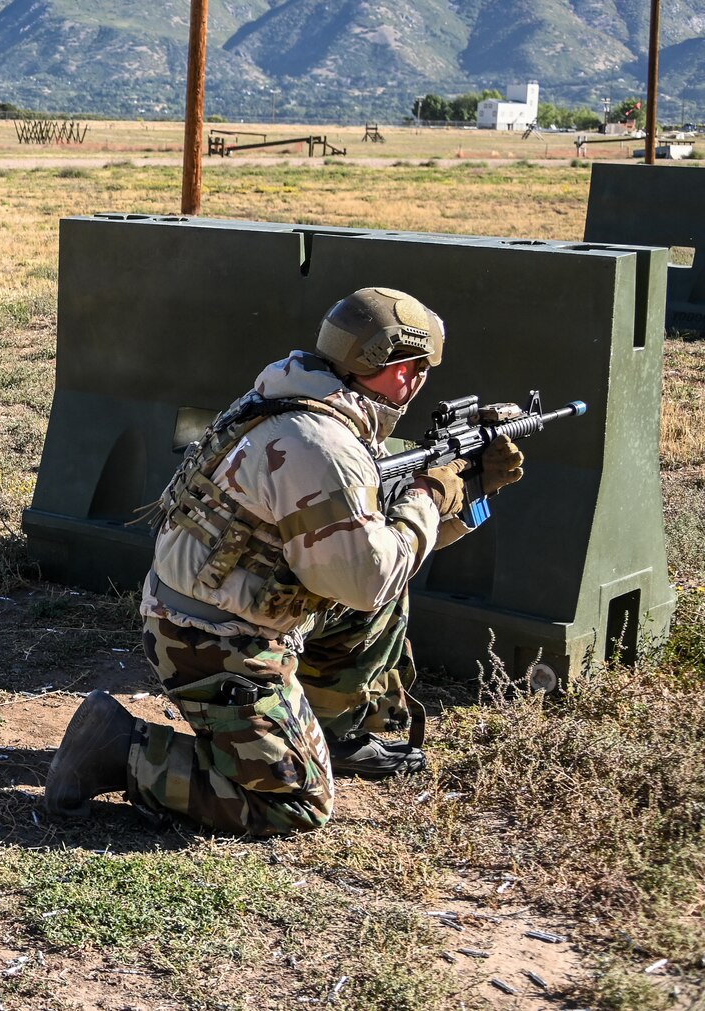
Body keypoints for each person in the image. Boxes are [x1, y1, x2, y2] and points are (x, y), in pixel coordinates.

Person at [45, 287, 525, 835]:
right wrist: (428, 497)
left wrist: (468, 493)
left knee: (387, 584)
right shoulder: (321, 443)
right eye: (412, 365)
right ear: (380, 363)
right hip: (210, 641)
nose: (418, 379)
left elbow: (373, 553)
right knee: (297, 804)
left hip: (234, 608)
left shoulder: (307, 397)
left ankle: (328, 731)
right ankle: (118, 749)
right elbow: (367, 576)